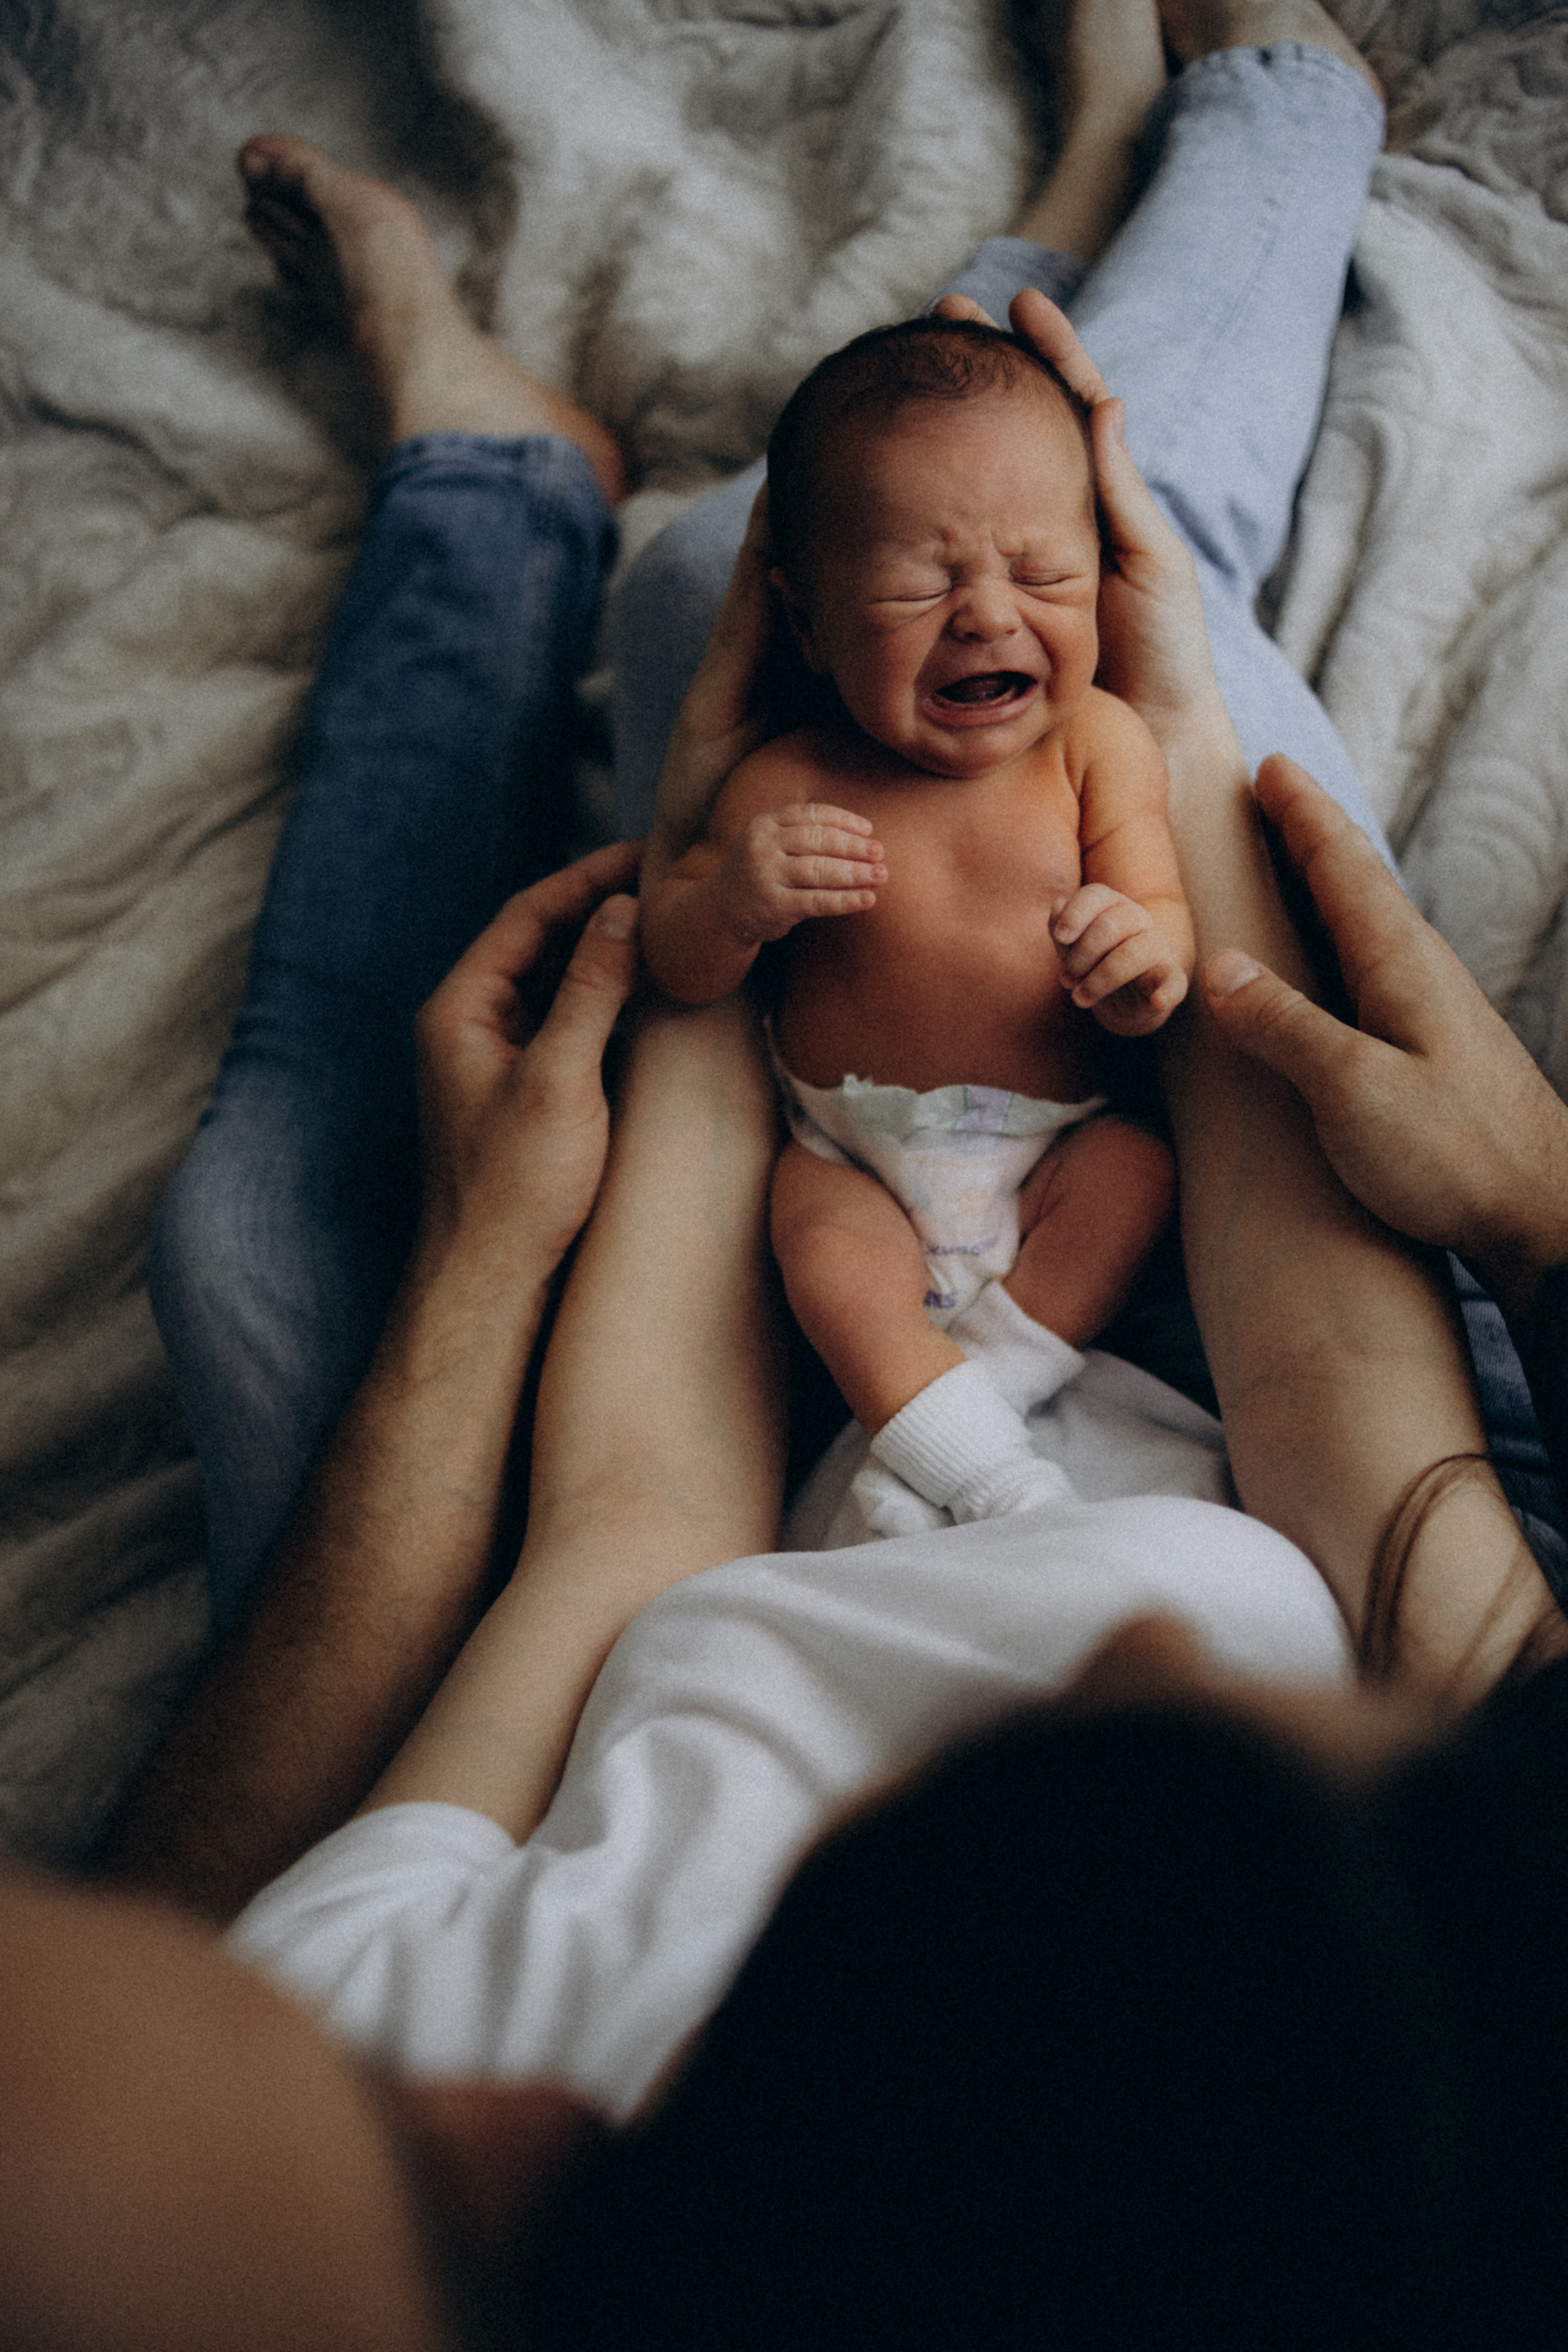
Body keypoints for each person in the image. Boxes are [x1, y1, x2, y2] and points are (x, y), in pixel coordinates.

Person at [4, 0, 1558, 2343]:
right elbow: (1342, 1406)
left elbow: (634, 1523)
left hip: (761, 1428)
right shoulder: (1416, 1944)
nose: (1137, 1647)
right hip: (1131, 1343)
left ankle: (494, 468)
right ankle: (1236, 122)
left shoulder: (330, 2079)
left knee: (249, 1233)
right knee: (1011, 568)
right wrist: (1166, 755)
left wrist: (690, 925)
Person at [641, 317, 1191, 1531]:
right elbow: (675, 961)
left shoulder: (1094, 747)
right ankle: (996, 1484)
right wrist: (733, 897)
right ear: (803, 623)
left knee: (1136, 1177)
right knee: (822, 1257)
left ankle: (972, 1406)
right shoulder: (785, 781)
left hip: (1057, 1143)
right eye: (915, 584)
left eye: (1043, 573)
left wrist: (1139, 963)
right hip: (854, 1156)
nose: (988, 616)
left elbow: (1158, 908)